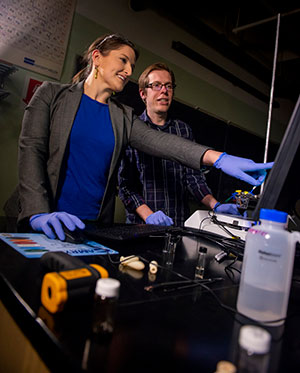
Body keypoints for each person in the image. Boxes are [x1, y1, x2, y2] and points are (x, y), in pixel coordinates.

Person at [4, 34, 273, 241]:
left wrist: (219, 158)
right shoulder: (51, 95)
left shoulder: (122, 116)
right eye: (123, 60)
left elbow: (163, 142)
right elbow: (32, 151)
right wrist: (38, 212)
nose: (129, 70)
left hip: (92, 229)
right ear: (97, 58)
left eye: (132, 64)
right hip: (41, 220)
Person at [118, 63, 249, 226]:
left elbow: (193, 178)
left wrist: (216, 205)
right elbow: (126, 187)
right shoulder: (132, 129)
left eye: (168, 86)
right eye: (156, 85)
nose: (164, 91)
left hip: (178, 225)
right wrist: (149, 216)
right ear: (143, 93)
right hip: (141, 227)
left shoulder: (183, 130)